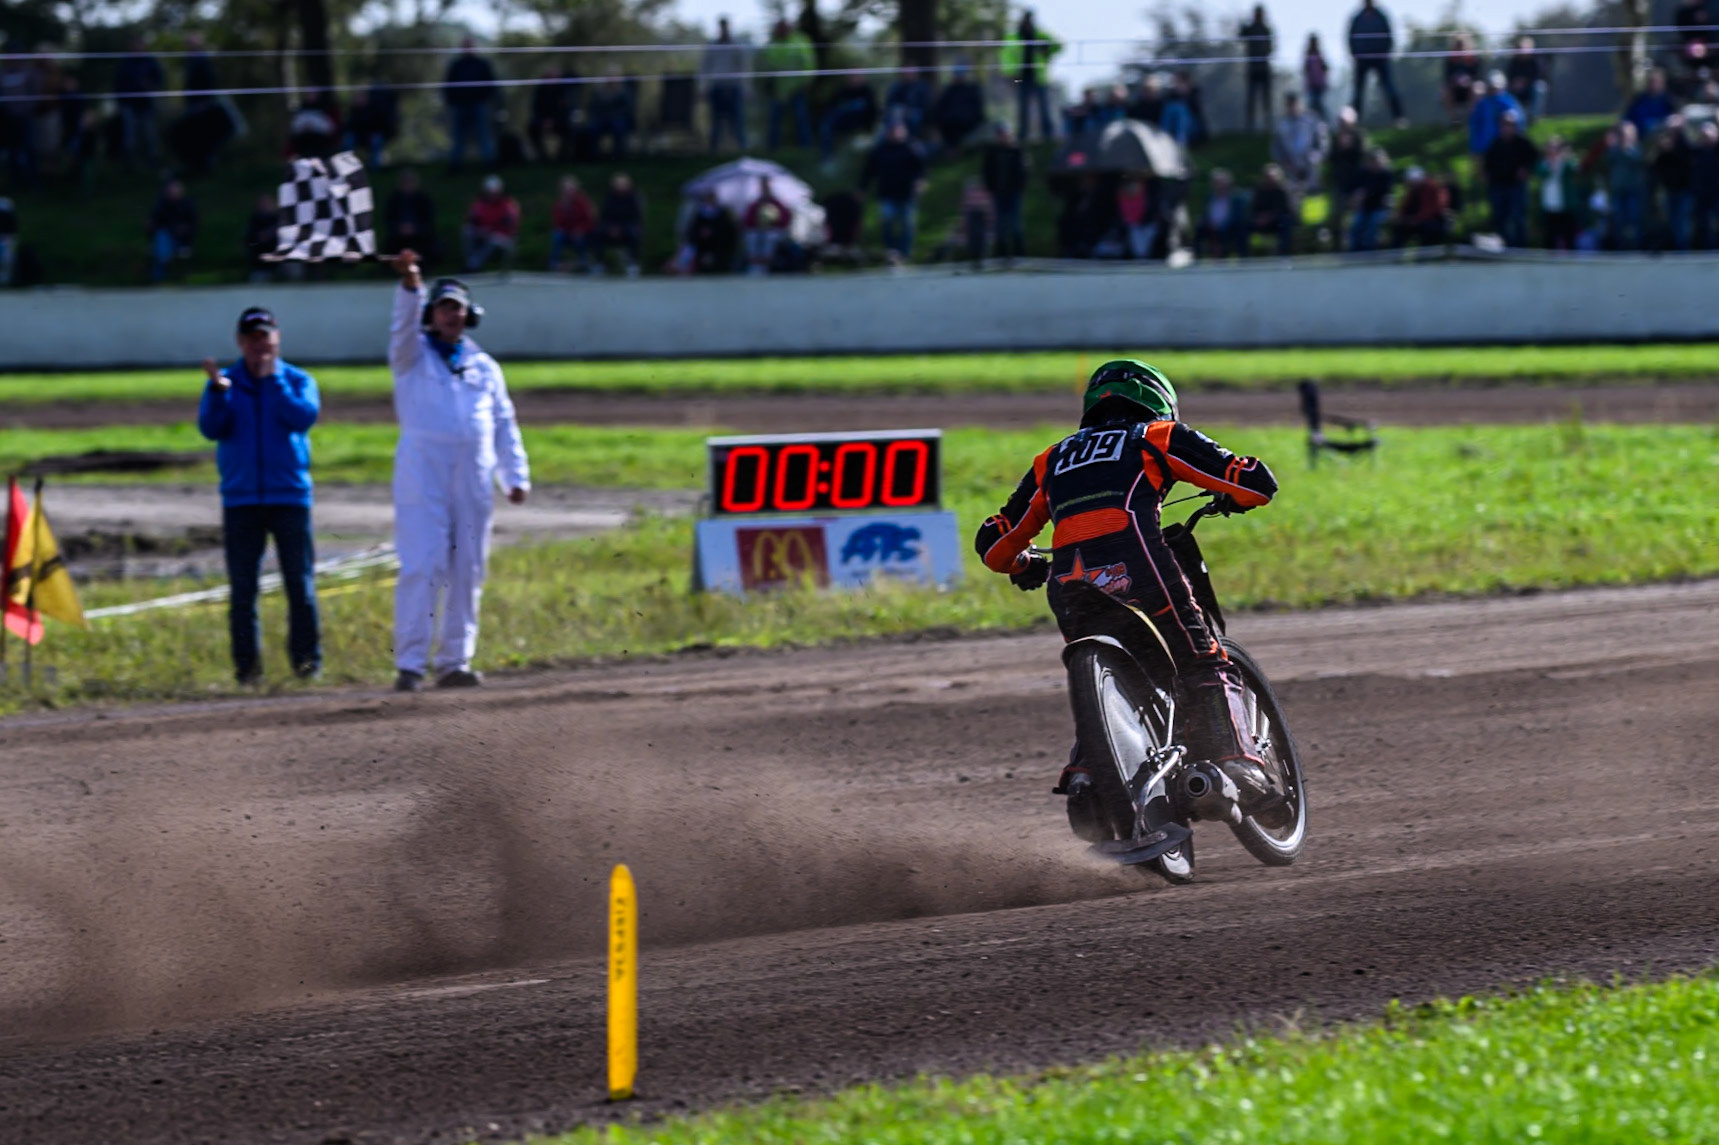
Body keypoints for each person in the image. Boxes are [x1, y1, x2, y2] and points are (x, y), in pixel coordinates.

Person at [973, 360, 1280, 831]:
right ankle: (1238, 762)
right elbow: (1255, 483)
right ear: (1156, 399)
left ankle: (1086, 777)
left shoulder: (1050, 459)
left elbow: (995, 545)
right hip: (1139, 565)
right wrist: (1234, 497)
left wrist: (1025, 563)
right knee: (1202, 658)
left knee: (1108, 680)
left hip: (1069, 583)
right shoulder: (1156, 435)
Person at [385, 253, 530, 692]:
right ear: (431, 314)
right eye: (444, 307)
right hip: (422, 473)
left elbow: (504, 422)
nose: (452, 315)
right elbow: (401, 329)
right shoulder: (411, 356)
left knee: (469, 568)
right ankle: (410, 663)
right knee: (423, 564)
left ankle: (454, 661)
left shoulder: (484, 366)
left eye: (459, 308)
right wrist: (411, 286)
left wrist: (516, 475)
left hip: (474, 475)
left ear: (470, 316)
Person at [196, 307, 322, 685]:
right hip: (241, 500)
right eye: (252, 338)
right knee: (243, 590)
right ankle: (248, 672)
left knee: (299, 585)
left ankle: (306, 666)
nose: (259, 345)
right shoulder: (225, 383)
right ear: (240, 342)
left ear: (276, 340)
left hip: (290, 497)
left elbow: (303, 417)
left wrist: (273, 383)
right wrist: (219, 396)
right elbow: (210, 428)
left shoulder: (297, 379)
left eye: (265, 337)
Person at [861, 120, 927, 261]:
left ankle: (904, 254)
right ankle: (891, 251)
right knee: (887, 223)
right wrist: (862, 188)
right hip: (887, 194)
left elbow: (921, 168)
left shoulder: (911, 148)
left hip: (906, 194)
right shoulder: (880, 150)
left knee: (907, 226)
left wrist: (920, 182)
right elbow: (868, 171)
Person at [1483, 111, 1539, 247]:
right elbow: (1487, 164)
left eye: (1510, 124)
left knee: (1518, 216)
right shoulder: (1495, 144)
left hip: (1516, 186)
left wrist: (1526, 170)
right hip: (1498, 186)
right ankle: (1504, 245)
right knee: (1499, 216)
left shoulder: (1523, 143)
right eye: (1504, 125)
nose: (1507, 127)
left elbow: (1534, 159)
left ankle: (1520, 247)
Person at [1003, 9, 1060, 142]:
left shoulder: (1041, 35)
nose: (1027, 22)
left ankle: (1048, 135)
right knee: (1022, 107)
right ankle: (1022, 136)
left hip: (1039, 76)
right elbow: (1006, 57)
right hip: (1019, 77)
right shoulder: (1014, 36)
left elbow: (1058, 45)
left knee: (1044, 106)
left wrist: (1047, 49)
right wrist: (1009, 75)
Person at [759, 18, 815, 149]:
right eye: (780, 28)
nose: (782, 31)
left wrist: (807, 80)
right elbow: (769, 63)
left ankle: (805, 148)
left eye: (784, 28)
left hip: (798, 87)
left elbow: (809, 63)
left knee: (801, 120)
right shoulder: (773, 43)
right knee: (774, 121)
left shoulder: (801, 40)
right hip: (779, 90)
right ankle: (772, 149)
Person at [444, 36, 498, 171]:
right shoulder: (456, 65)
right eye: (465, 45)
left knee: (483, 135)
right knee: (459, 137)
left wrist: (484, 98)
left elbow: (491, 84)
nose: (467, 48)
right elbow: (448, 85)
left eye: (470, 45)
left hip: (478, 104)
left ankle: (489, 163)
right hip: (460, 105)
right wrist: (453, 101)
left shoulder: (482, 64)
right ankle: (455, 166)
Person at [1347, 0, 1403, 124]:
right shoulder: (1358, 18)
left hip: (1380, 57)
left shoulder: (1381, 16)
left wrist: (1386, 52)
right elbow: (1351, 37)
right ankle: (1355, 121)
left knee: (1389, 88)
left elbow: (1389, 35)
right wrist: (1355, 53)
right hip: (1362, 59)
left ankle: (1399, 118)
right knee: (1358, 92)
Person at [114, 35, 165, 169]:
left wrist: (150, 85)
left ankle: (153, 162)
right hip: (129, 105)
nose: (138, 48)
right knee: (129, 137)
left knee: (150, 135)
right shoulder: (126, 63)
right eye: (135, 45)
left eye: (140, 45)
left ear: (144, 46)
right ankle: (130, 165)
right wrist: (120, 103)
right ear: (131, 47)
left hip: (146, 105)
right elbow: (118, 84)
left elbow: (159, 79)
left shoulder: (150, 62)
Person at [701, 17, 747, 152]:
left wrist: (745, 88)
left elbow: (743, 68)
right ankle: (713, 150)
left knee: (737, 122)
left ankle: (742, 150)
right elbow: (705, 67)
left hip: (733, 87)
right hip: (717, 87)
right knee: (716, 122)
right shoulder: (713, 46)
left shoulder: (736, 45)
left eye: (725, 26)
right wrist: (702, 88)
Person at [982, 121, 1028, 258]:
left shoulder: (1017, 151)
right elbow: (987, 172)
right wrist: (990, 187)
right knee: (999, 226)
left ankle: (1019, 254)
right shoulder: (992, 153)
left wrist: (1020, 187)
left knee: (1016, 225)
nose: (1003, 137)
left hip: (1013, 193)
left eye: (1004, 133)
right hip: (998, 193)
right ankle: (1001, 255)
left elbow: (1023, 172)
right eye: (1000, 134)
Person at [1271, 92, 1328, 199]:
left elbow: (1323, 143)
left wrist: (1316, 157)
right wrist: (1284, 161)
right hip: (1292, 171)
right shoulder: (1282, 125)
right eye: (1289, 105)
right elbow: (1276, 148)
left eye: (1295, 104)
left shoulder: (1312, 120)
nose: (1293, 108)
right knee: (1294, 201)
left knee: (1313, 200)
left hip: (1311, 169)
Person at [1652, 117, 1695, 251]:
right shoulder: (1664, 146)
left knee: (1682, 222)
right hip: (1669, 190)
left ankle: (1683, 250)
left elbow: (1687, 161)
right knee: (1673, 221)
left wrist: (1671, 150)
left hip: (1684, 189)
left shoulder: (1686, 143)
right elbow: (1655, 165)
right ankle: (1676, 247)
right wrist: (1662, 150)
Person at [1326, 107, 1366, 250]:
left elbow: (1361, 158)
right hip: (1339, 183)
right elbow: (1330, 158)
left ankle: (1357, 246)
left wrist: (1349, 147)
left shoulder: (1358, 137)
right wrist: (1339, 147)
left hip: (1355, 183)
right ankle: (1338, 247)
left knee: (1356, 217)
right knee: (1337, 217)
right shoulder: (1335, 138)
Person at [462, 174, 519, 271]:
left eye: (495, 193)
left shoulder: (508, 205)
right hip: (484, 234)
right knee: (467, 231)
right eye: (490, 192)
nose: (492, 195)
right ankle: (470, 261)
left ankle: (474, 265)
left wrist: (491, 231)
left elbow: (509, 226)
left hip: (503, 238)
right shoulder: (480, 204)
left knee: (494, 239)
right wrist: (480, 230)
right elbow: (472, 220)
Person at [384, 168, 439, 265]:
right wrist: (399, 228)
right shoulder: (394, 199)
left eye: (410, 182)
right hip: (398, 234)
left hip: (419, 233)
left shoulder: (423, 199)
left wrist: (415, 228)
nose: (407, 185)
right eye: (405, 183)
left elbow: (429, 220)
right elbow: (388, 219)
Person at [819, 73, 879, 161]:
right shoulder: (843, 90)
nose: (855, 79)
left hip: (859, 122)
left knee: (859, 104)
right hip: (843, 121)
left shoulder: (868, 91)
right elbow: (831, 106)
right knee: (826, 125)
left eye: (857, 76)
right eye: (852, 76)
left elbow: (873, 111)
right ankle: (827, 157)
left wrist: (868, 129)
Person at [1607, 122, 1648, 250]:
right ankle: (1620, 247)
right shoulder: (1614, 149)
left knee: (1633, 219)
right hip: (1618, 190)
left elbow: (1637, 161)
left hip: (1632, 190)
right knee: (1619, 219)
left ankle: (1636, 246)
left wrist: (1627, 148)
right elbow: (1608, 160)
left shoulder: (1636, 149)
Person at [594, 172, 644, 276]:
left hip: (627, 227)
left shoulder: (633, 198)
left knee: (634, 233)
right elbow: (604, 216)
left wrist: (621, 228)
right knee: (598, 233)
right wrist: (611, 227)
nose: (621, 186)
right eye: (619, 184)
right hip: (610, 227)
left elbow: (636, 217)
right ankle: (599, 264)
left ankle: (633, 265)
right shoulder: (609, 197)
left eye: (624, 184)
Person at [147, 178, 197, 282]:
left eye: (175, 190)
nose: (172, 192)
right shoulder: (162, 205)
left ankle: (159, 277)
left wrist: (186, 230)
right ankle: (160, 276)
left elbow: (194, 224)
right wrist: (150, 226)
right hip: (165, 236)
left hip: (182, 239)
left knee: (162, 243)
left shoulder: (187, 205)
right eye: (170, 190)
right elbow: (154, 223)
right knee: (162, 237)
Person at [931, 60, 987, 150]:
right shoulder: (949, 90)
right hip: (949, 122)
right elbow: (940, 106)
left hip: (966, 121)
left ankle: (956, 149)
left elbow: (976, 109)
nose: (958, 77)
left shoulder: (971, 90)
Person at [528, 66, 578, 163]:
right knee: (532, 128)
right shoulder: (540, 90)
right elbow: (536, 108)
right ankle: (542, 156)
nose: (552, 79)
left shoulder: (564, 90)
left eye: (554, 77)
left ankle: (563, 157)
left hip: (560, 121)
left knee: (570, 129)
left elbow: (567, 110)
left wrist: (554, 120)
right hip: (542, 120)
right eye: (549, 77)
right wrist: (544, 121)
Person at [682, 188, 739, 274]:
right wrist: (701, 233)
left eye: (712, 198)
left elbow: (728, 229)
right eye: (708, 198)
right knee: (690, 247)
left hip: (718, 243)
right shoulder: (699, 213)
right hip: (701, 243)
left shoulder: (722, 212)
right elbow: (693, 229)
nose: (710, 200)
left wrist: (712, 232)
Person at [1538, 135, 1580, 250]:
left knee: (1569, 235)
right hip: (1550, 206)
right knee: (1550, 236)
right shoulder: (1544, 164)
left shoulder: (1566, 163)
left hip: (1565, 206)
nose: (1553, 151)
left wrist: (1567, 157)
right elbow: (1543, 174)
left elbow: (1576, 169)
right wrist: (1553, 164)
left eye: (1556, 148)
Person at [1348, 147, 1394, 252]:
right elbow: (1352, 187)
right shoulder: (1363, 173)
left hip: (1379, 208)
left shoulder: (1387, 174)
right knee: (1356, 225)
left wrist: (1366, 193)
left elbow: (1384, 192)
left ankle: (1370, 251)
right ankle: (1354, 251)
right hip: (1364, 208)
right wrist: (1356, 196)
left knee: (1372, 224)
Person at [1197, 168, 1249, 258]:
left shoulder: (1237, 198)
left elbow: (1238, 216)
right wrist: (1210, 223)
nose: (1218, 185)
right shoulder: (1209, 197)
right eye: (1216, 182)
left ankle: (1243, 258)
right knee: (1199, 228)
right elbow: (1205, 214)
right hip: (1211, 227)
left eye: (1220, 182)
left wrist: (1222, 225)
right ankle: (1197, 257)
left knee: (1241, 229)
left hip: (1230, 227)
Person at [742, 175, 790, 273]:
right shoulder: (755, 204)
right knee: (752, 237)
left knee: (770, 237)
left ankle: (766, 265)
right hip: (758, 231)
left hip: (773, 231)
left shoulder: (777, 203)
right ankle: (754, 264)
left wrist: (773, 221)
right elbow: (747, 221)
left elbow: (785, 219)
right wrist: (759, 222)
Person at [1391, 167, 1448, 247]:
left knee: (1428, 228)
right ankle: (1395, 254)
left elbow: (1430, 210)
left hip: (1432, 221)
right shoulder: (1412, 190)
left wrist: (1415, 219)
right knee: (1398, 227)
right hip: (1416, 221)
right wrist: (1400, 217)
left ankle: (1425, 255)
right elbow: (1405, 206)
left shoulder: (1431, 187)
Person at [550, 175, 595, 272]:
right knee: (557, 235)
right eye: (566, 188)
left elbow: (589, 220)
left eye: (570, 188)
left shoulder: (582, 201)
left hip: (580, 232)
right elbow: (557, 222)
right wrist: (564, 210)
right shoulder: (559, 203)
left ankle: (583, 261)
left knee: (579, 238)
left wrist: (580, 229)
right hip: (566, 232)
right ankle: (554, 263)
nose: (568, 191)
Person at [1240, 5, 1274, 132]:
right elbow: (1240, 36)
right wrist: (1242, 25)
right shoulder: (1250, 28)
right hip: (1253, 68)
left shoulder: (1266, 29)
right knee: (1251, 100)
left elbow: (1271, 48)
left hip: (1263, 67)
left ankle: (1268, 125)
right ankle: (1250, 127)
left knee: (1266, 100)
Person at [585, 69, 635, 158]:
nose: (611, 79)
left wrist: (616, 114)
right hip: (600, 118)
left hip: (617, 118)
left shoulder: (623, 91)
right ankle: (594, 155)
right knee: (592, 128)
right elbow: (592, 106)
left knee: (619, 128)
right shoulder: (599, 91)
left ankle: (618, 155)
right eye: (609, 77)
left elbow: (627, 108)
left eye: (613, 77)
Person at [1249, 164, 1295, 255]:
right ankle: (1246, 255)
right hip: (1262, 223)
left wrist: (1270, 217)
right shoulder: (1259, 191)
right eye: (1267, 177)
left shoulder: (1283, 190)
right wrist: (1258, 218)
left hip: (1278, 223)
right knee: (1243, 225)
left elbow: (1286, 210)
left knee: (1285, 222)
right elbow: (1254, 209)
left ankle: (1283, 254)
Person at [1624, 70, 1675, 141]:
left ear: (1662, 83)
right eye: (1651, 82)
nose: (1654, 85)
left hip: (1661, 137)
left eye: (1657, 82)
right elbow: (1627, 119)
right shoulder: (1639, 100)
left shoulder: (1669, 101)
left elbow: (1673, 120)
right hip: (1638, 138)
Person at [1442, 32, 1480, 124]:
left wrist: (1469, 81)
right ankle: (1455, 120)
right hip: (1455, 90)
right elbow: (1446, 78)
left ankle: (1472, 118)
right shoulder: (1450, 60)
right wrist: (1454, 81)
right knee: (1445, 91)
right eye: (1457, 45)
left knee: (1478, 88)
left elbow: (1479, 77)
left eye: (1462, 45)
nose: (1460, 48)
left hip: (1470, 90)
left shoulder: (1474, 59)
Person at [1692, 121, 1719, 249]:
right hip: (1702, 193)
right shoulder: (1697, 151)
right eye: (1704, 136)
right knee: (1703, 223)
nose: (1707, 138)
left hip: (1716, 192)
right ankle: (1707, 247)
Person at [1506, 37, 1545, 123]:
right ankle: (1511, 116)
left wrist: (1524, 82)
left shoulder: (1536, 60)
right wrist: (1515, 83)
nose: (1522, 51)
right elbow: (1509, 76)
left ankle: (1533, 116)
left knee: (1540, 87)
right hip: (1516, 89)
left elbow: (1539, 76)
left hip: (1530, 89)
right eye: (1520, 48)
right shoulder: (1513, 61)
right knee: (1505, 91)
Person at [884, 66, 933, 137]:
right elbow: (890, 102)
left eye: (911, 72)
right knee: (894, 115)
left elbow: (926, 104)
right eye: (907, 72)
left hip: (916, 112)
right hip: (900, 111)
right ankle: (891, 139)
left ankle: (910, 139)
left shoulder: (922, 87)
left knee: (914, 118)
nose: (909, 74)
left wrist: (910, 110)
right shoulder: (897, 86)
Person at [1116, 176, 1155, 259]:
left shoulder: (1143, 190)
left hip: (1145, 223)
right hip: (1136, 225)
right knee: (1140, 247)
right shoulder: (1123, 196)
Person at [243, 193, 280, 281]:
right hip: (260, 263)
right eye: (263, 203)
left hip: (279, 261)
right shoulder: (254, 220)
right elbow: (249, 239)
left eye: (268, 202)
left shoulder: (280, 219)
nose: (265, 205)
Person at [1303, 33, 1330, 119]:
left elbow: (1326, 68)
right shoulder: (1308, 55)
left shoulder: (1320, 55)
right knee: (1312, 107)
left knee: (1320, 106)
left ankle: (1323, 123)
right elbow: (1305, 70)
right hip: (1311, 85)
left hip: (1320, 85)